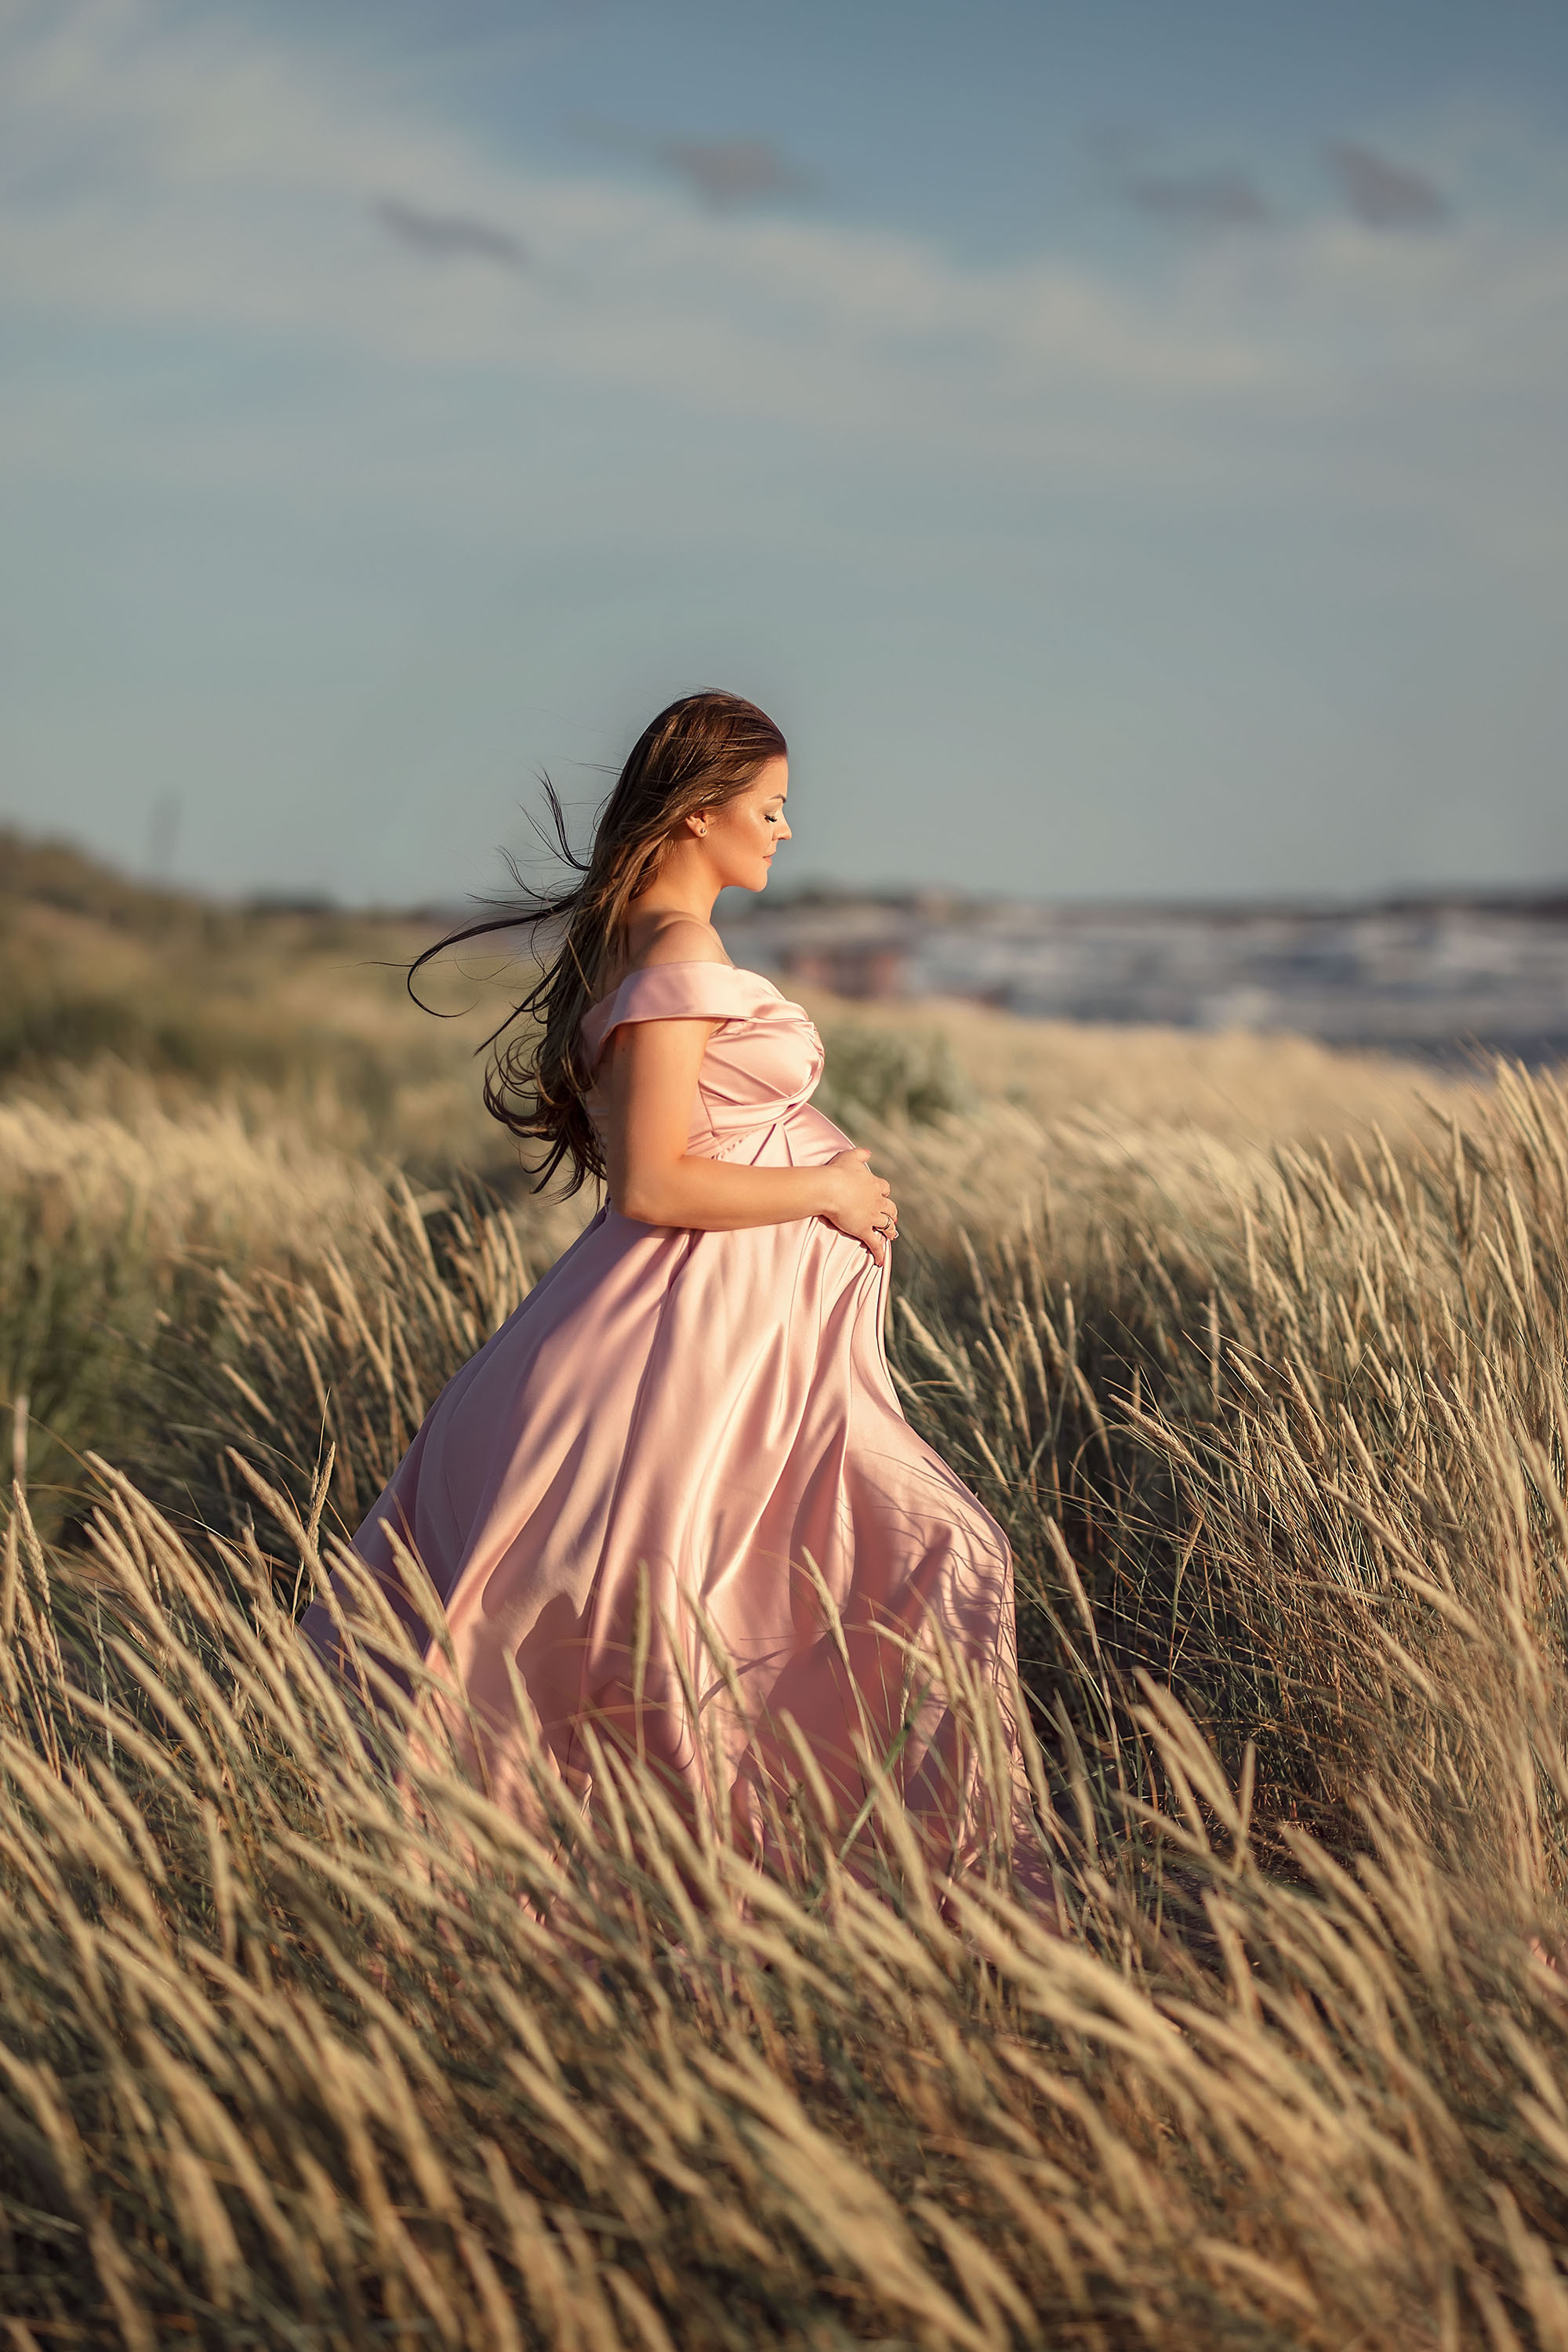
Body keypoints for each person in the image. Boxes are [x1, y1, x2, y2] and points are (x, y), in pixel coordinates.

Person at [303, 690, 1044, 1898]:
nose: (786, 830)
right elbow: (652, 1183)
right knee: (861, 1579)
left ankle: (783, 1891)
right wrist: (827, 1187)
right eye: (771, 806)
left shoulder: (652, 943)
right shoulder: (678, 952)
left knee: (795, 1598)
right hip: (683, 1353)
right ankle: (858, 1894)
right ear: (701, 812)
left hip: (745, 1356)